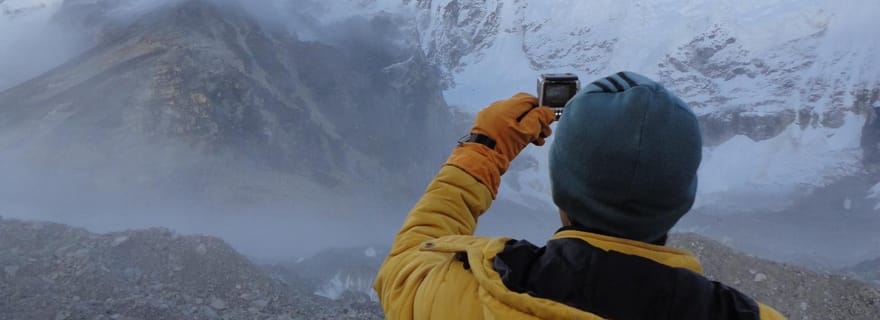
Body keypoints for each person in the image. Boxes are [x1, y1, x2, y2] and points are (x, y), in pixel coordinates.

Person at [373, 72, 785, 319]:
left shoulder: (466, 293)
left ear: (559, 189)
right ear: (683, 200)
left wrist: (484, 148)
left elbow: (403, 265)